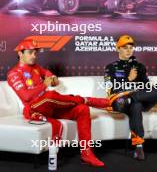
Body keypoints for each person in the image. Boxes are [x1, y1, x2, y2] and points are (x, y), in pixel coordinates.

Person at [7, 39, 111, 167]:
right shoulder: (14, 73)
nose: (34, 56)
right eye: (30, 53)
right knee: (50, 95)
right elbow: (26, 96)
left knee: (82, 109)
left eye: (35, 53)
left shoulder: (35, 67)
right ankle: (87, 99)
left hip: (51, 105)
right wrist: (44, 85)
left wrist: (53, 78)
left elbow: (47, 73)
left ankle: (87, 154)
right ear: (20, 54)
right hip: (34, 108)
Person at [104, 35, 157, 160]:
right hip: (120, 102)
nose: (128, 50)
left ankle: (132, 98)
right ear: (117, 49)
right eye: (124, 48)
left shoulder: (140, 67)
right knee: (135, 105)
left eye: (131, 47)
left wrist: (134, 94)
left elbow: (147, 88)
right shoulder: (110, 67)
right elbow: (110, 90)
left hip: (138, 99)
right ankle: (139, 148)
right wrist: (128, 79)